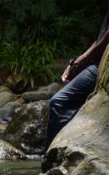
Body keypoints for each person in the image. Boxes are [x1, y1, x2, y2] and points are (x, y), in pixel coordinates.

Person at [45, 7, 109, 150]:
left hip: (102, 66)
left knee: (59, 103)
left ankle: (52, 161)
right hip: (97, 63)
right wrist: (77, 62)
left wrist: (83, 60)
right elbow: (100, 39)